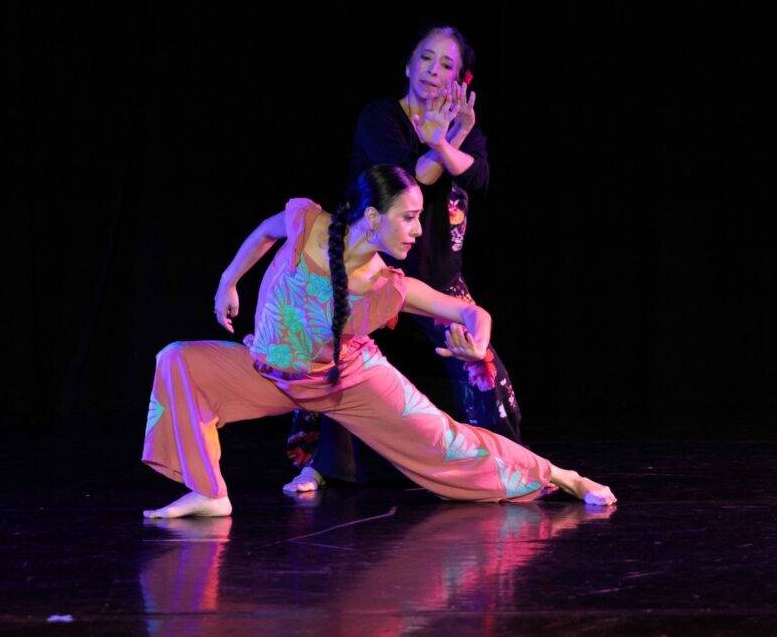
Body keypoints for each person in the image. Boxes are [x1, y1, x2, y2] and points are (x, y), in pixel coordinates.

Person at [142, 165, 616, 519]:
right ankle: (210, 492)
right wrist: (229, 281)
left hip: (348, 381)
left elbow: (471, 311)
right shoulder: (307, 223)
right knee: (178, 361)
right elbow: (266, 231)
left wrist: (479, 340)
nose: (416, 230)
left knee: (445, 444)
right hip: (269, 372)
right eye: (408, 218)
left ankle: (560, 476)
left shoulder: (389, 285)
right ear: (372, 216)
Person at [283, 26, 521, 492]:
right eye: (426, 59)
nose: (434, 71)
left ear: (461, 79)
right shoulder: (380, 118)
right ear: (408, 65)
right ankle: (320, 464)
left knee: (479, 361)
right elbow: (405, 183)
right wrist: (441, 147)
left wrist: (447, 143)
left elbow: (480, 178)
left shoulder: (464, 128)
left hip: (437, 276)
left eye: (446, 65)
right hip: (367, 271)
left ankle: (505, 460)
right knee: (327, 355)